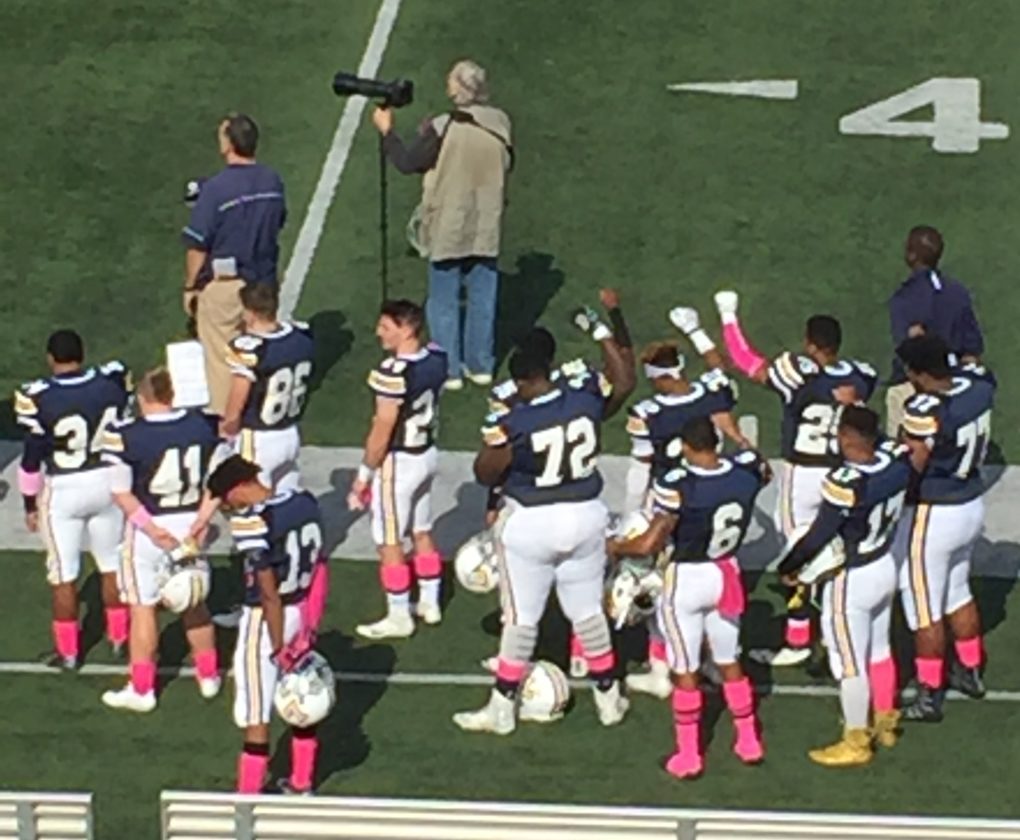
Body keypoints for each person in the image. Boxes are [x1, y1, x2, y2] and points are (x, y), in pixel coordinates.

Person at [452, 306, 635, 736]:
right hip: (586, 515)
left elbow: (486, 472)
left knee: (521, 619)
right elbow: (625, 382)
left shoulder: (514, 417)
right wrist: (601, 333)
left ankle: (501, 708)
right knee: (587, 612)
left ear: (519, 380)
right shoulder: (583, 395)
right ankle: (609, 698)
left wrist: (498, 439)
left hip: (532, 521)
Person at [711, 292, 878, 667]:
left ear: (810, 343)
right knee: (835, 549)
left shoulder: (798, 374)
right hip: (840, 471)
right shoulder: (861, 376)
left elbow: (746, 361)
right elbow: (857, 390)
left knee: (797, 555)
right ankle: (838, 627)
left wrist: (728, 316)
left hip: (803, 475)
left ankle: (799, 637)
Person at [610, 417, 768, 780]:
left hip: (688, 579)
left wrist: (615, 547)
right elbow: (761, 469)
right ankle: (748, 740)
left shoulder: (679, 483)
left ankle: (689, 754)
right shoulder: (745, 472)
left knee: (685, 669)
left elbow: (649, 543)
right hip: (726, 573)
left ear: (685, 446)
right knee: (729, 661)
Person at [623, 311, 749, 699]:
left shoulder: (648, 413)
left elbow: (640, 467)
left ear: (656, 377)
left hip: (670, 503)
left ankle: (664, 667)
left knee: (661, 588)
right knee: (716, 591)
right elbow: (719, 367)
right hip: (713, 499)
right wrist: (696, 330)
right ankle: (713, 659)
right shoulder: (711, 390)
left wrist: (632, 514)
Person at [778, 407, 910, 766]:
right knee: (880, 649)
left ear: (849, 437)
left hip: (852, 577)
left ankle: (856, 740)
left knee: (850, 662)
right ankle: (885, 720)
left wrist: (790, 566)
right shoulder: (896, 463)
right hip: (884, 563)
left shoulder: (847, 482)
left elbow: (820, 533)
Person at [373, 60, 512, 390]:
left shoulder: (444, 125)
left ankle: (449, 370)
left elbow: (408, 162)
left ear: (457, 89)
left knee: (444, 298)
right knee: (482, 296)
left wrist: (387, 132)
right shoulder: (501, 122)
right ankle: (481, 364)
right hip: (486, 220)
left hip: (450, 221)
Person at [99, 368, 227, 713]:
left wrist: (151, 529)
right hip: (190, 524)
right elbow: (221, 479)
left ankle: (142, 689)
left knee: (143, 608)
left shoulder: (126, 434)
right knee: (195, 601)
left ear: (144, 397)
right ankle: (208, 674)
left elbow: (121, 492)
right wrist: (203, 519)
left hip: (149, 527)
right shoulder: (203, 425)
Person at [204, 455, 329, 795]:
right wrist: (309, 625)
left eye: (227, 501)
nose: (228, 509)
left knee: (255, 713)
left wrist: (278, 647)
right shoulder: (304, 501)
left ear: (237, 488)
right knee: (300, 695)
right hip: (301, 609)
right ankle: (302, 782)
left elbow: (268, 594)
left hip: (266, 621)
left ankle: (248, 796)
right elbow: (320, 568)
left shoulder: (252, 521)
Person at [14, 330, 131, 669]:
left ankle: (68, 652)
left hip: (64, 488)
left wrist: (29, 504)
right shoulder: (112, 381)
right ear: (82, 353)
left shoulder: (39, 396)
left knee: (63, 574)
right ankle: (119, 637)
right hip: (107, 481)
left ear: (51, 358)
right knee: (111, 564)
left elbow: (31, 458)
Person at [893, 335, 994, 723]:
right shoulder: (977, 386)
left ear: (918, 372)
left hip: (933, 513)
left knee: (923, 607)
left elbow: (912, 466)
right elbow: (977, 375)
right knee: (957, 591)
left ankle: (929, 692)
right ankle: (969, 669)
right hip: (970, 504)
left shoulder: (926, 408)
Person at [348, 300, 448, 639]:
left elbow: (382, 429)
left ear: (407, 330)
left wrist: (364, 475)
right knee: (421, 530)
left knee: (389, 541)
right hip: (427, 454)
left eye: (386, 327)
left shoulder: (392, 373)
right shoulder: (436, 358)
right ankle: (430, 602)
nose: (379, 333)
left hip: (400, 461)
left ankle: (399, 614)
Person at [182, 113, 287, 415]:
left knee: (221, 361)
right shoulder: (272, 180)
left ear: (228, 144)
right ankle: (262, 411)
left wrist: (191, 288)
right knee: (260, 350)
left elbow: (197, 245)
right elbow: (279, 222)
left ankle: (228, 427)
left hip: (227, 287)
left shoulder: (216, 189)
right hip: (264, 283)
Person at [885, 226, 984, 437]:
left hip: (917, 387)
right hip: (953, 383)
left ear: (911, 255)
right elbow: (972, 352)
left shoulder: (904, 298)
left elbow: (906, 348)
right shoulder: (958, 291)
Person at [223, 283, 314, 492]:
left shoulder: (252, 349)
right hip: (290, 434)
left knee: (248, 502)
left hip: (259, 439)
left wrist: (227, 429)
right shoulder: (301, 338)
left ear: (250, 313)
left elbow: (236, 403)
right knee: (286, 499)